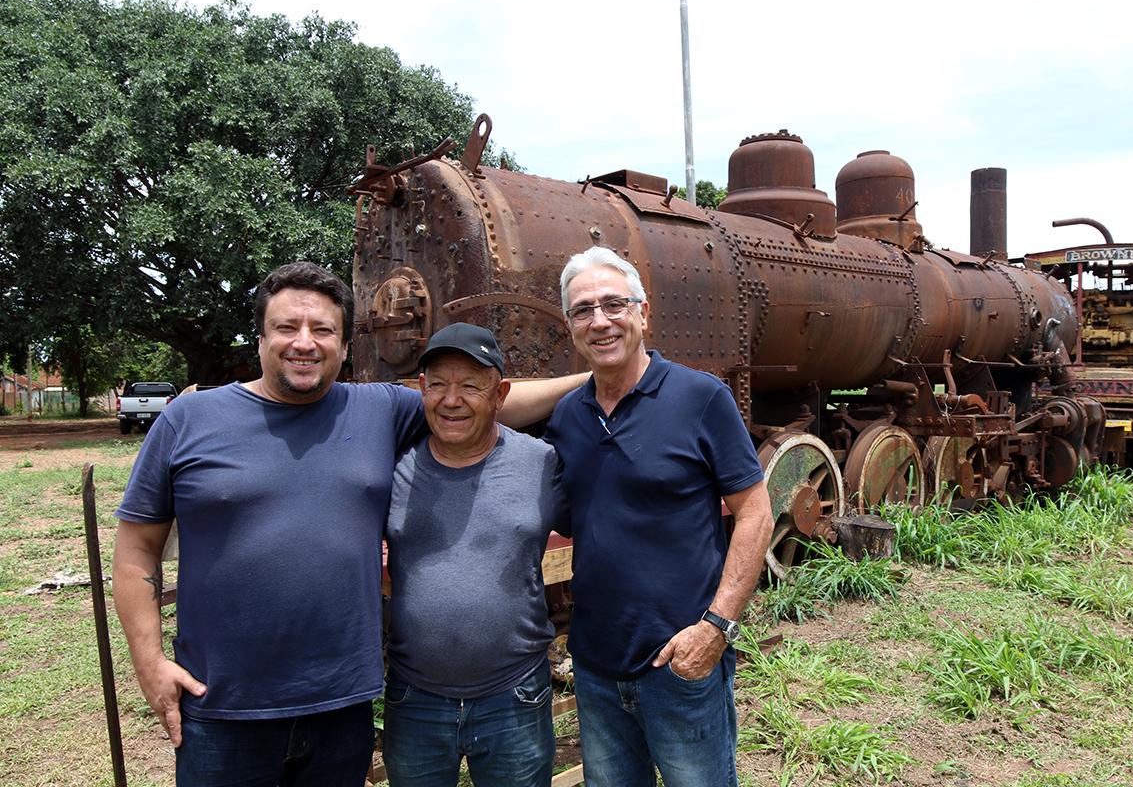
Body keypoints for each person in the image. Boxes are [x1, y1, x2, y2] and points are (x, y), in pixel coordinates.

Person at [112, 261, 581, 787]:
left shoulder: (376, 409)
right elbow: (135, 551)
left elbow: (479, 402)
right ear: (261, 337)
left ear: (344, 344)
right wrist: (149, 663)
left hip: (340, 706)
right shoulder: (189, 420)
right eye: (287, 328)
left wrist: (600, 375)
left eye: (323, 330)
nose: (304, 343)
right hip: (222, 705)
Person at [545, 246, 773, 787]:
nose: (599, 320)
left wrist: (716, 628)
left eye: (613, 304)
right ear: (570, 326)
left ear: (643, 314)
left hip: (681, 661)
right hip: (597, 666)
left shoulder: (700, 397)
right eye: (583, 310)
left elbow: (757, 514)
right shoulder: (567, 417)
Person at [381, 322, 568, 787]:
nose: (451, 399)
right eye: (438, 384)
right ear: (421, 389)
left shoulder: (541, 463)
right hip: (414, 697)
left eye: (470, 385)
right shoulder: (392, 466)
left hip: (515, 695)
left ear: (500, 394)